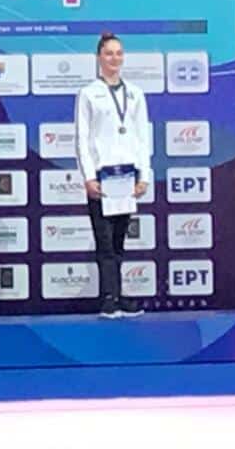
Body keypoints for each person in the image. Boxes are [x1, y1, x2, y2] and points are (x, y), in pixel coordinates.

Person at [74, 32, 152, 319]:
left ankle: (118, 296)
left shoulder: (135, 93)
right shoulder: (88, 93)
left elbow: (142, 137)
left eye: (119, 53)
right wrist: (88, 176)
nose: (114, 58)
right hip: (102, 177)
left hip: (127, 177)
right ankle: (109, 299)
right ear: (99, 57)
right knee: (104, 241)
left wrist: (144, 176)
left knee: (119, 240)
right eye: (109, 53)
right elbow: (82, 138)